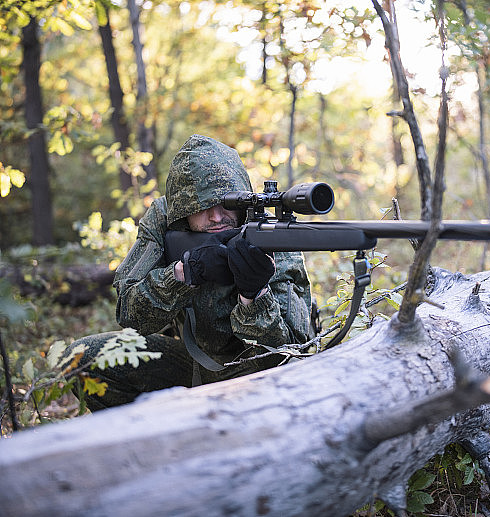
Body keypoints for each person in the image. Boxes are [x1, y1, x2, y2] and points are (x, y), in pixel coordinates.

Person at [66, 134, 314, 410]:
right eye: (202, 208)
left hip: (257, 380)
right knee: (80, 359)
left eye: (226, 204)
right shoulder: (164, 220)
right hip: (191, 367)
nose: (217, 217)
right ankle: (152, 442)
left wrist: (254, 296)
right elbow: (129, 314)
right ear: (182, 212)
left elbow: (289, 355)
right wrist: (183, 274)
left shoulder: (270, 233)